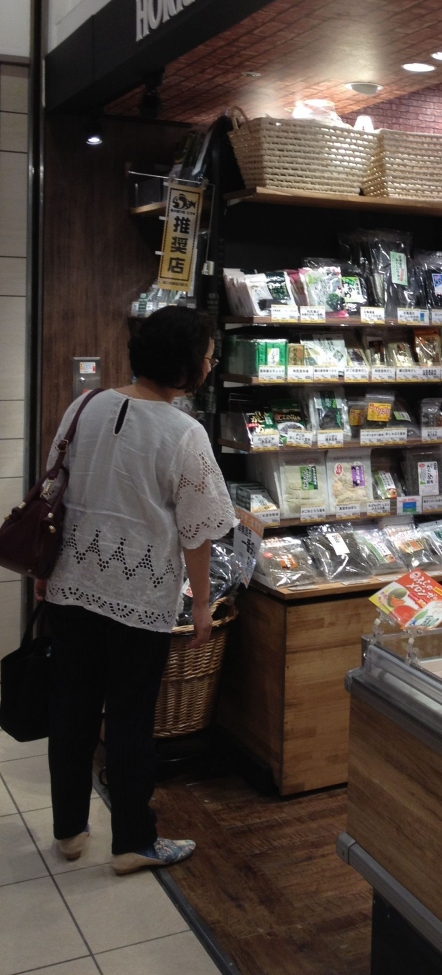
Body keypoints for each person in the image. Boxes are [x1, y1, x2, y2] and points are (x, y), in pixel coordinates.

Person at [37, 306, 236, 875]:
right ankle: (132, 841)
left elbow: (53, 486)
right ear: (186, 364)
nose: (210, 364)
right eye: (207, 356)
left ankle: (69, 830)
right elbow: (198, 530)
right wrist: (202, 604)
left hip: (71, 585)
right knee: (129, 719)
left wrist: (44, 572)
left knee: (71, 711)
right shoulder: (184, 432)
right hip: (140, 597)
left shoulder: (85, 405)